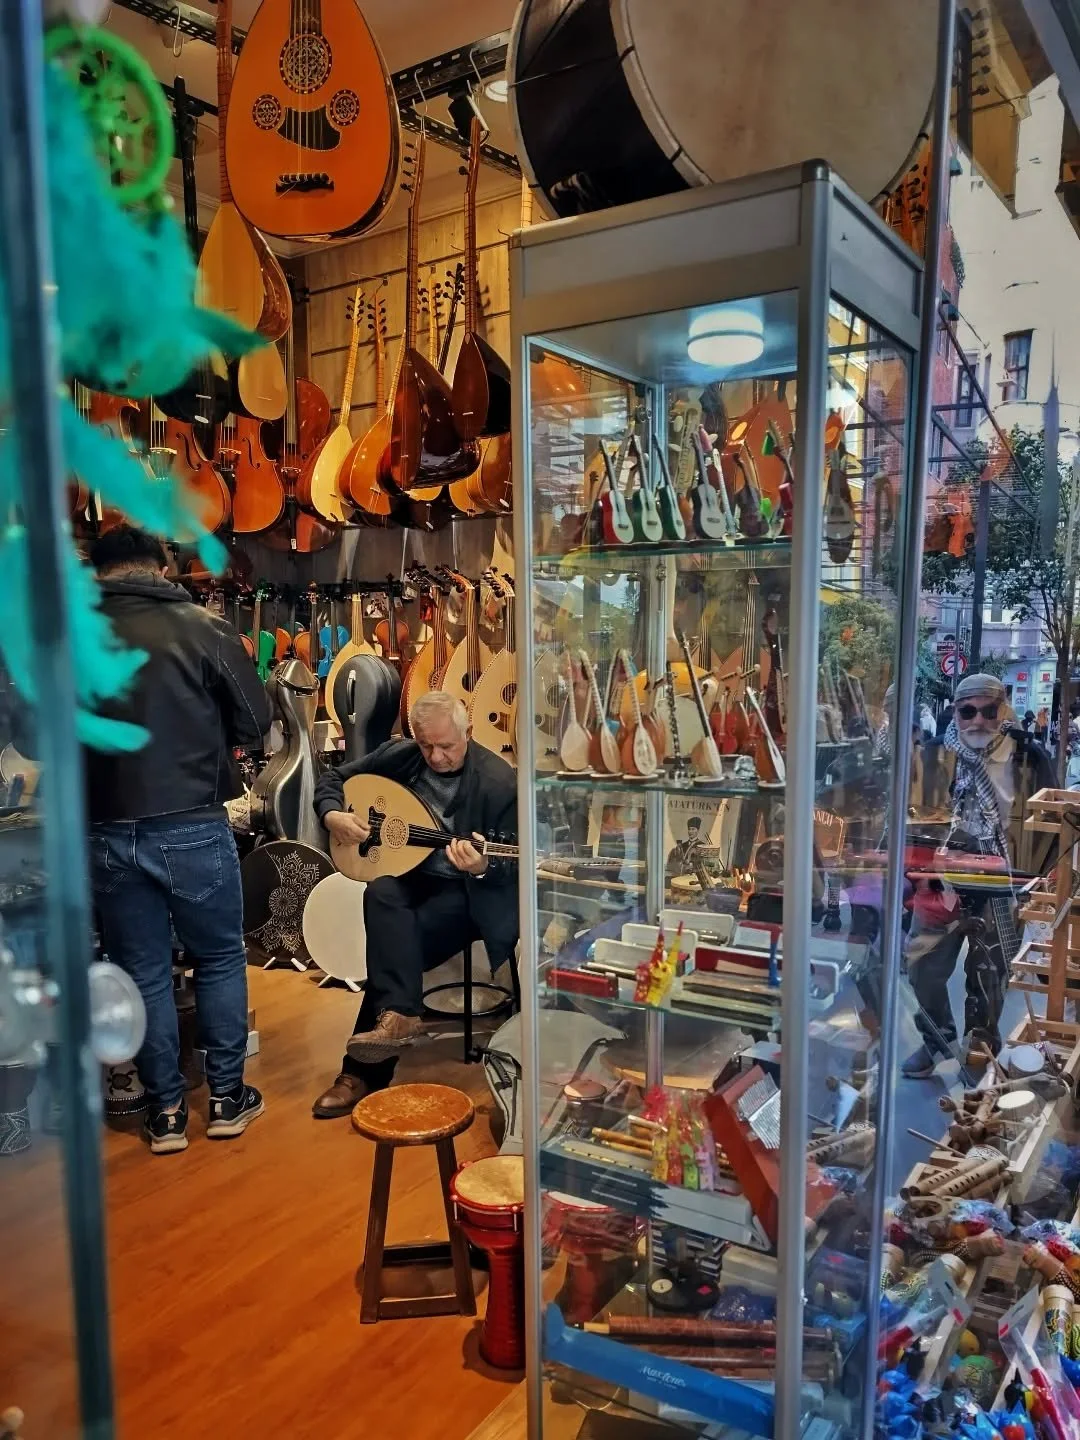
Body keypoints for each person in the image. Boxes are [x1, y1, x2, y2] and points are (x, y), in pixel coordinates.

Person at [87, 526, 271, 1154]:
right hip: (190, 818)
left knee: (142, 970)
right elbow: (256, 719)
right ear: (161, 565)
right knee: (218, 956)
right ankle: (225, 1100)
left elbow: (35, 735)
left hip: (103, 825)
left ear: (97, 570)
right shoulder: (201, 625)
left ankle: (164, 1112)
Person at [311, 691, 518, 1118]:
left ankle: (359, 1073)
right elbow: (333, 780)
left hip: (469, 896)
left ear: (469, 733)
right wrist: (333, 814)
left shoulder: (500, 783)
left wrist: (481, 867)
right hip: (415, 881)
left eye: (447, 745)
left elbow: (515, 868)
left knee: (394, 950)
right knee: (382, 890)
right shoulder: (400, 757)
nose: (436, 757)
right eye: (427, 745)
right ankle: (400, 1015)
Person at [901, 672, 1054, 1078]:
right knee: (921, 966)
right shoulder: (932, 755)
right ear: (955, 710)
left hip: (1002, 882)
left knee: (990, 973)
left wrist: (1041, 877)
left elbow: (1053, 824)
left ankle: (980, 1046)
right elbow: (910, 818)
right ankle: (938, 1039)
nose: (978, 721)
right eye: (968, 711)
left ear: (1002, 709)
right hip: (941, 882)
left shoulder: (1028, 758)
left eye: (989, 710)